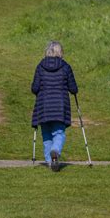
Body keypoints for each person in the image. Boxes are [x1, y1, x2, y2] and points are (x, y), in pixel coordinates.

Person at [31, 41, 78, 172]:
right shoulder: (66, 67)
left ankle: (49, 161)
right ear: (60, 52)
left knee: (46, 134)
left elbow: (34, 88)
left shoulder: (40, 66)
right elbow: (73, 88)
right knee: (59, 132)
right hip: (60, 106)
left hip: (43, 106)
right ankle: (55, 151)